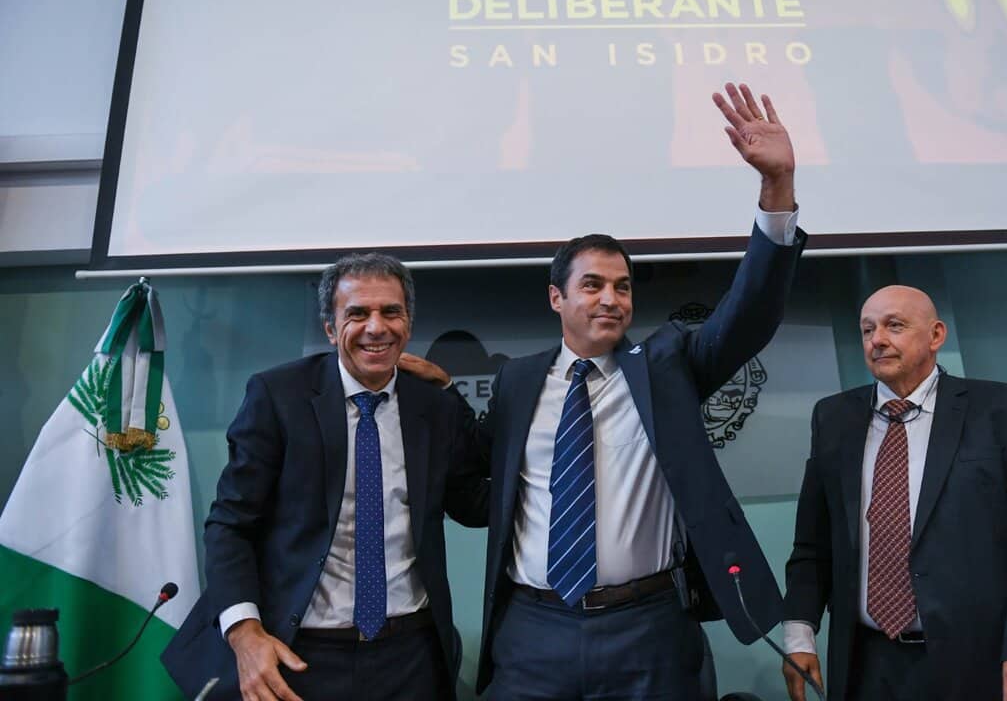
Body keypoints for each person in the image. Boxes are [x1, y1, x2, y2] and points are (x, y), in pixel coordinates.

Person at [403, 82, 805, 700]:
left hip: (648, 629)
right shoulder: (517, 382)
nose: (611, 298)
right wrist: (445, 396)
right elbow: (479, 489)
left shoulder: (667, 366)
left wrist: (776, 188)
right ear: (556, 298)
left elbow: (749, 315)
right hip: (532, 629)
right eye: (592, 285)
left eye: (622, 286)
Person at [161, 254, 489, 701]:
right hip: (301, 654)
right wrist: (243, 633)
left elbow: (472, 503)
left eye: (391, 312)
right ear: (331, 329)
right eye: (358, 313)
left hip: (411, 657)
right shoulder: (279, 397)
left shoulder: (433, 407)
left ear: (408, 324)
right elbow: (230, 525)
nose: (376, 327)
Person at [782, 285, 1007, 701]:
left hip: (976, 661)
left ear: (936, 335)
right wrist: (799, 635)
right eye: (868, 329)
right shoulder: (833, 418)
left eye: (894, 325)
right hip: (864, 664)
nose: (877, 340)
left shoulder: (1002, 410)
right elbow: (813, 543)